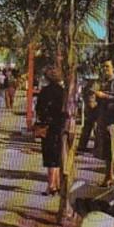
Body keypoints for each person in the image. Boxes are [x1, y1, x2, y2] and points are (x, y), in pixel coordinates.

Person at [35, 67, 65, 196]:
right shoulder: (63, 92)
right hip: (60, 126)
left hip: (47, 126)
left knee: (49, 156)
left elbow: (39, 108)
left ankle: (51, 185)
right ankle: (57, 184)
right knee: (58, 155)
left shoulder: (45, 91)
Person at [95, 60, 114, 187]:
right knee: (106, 148)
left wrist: (104, 96)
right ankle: (109, 175)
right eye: (104, 66)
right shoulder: (104, 81)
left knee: (111, 148)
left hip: (113, 119)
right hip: (104, 118)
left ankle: (111, 175)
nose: (105, 69)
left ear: (113, 68)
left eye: (107, 66)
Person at [78, 78, 100, 153]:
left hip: (91, 107)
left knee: (89, 127)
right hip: (94, 108)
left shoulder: (90, 83)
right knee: (95, 127)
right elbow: (90, 94)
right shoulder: (94, 83)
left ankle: (82, 145)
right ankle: (95, 147)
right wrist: (92, 104)